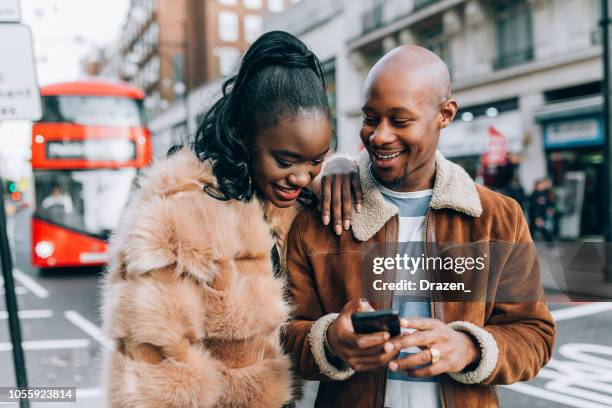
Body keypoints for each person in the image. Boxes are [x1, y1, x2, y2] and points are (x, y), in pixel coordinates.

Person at [283, 45, 555, 407]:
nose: (379, 136)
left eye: (400, 120)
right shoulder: (320, 217)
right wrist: (331, 340)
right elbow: (284, 335)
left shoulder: (499, 218)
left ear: (445, 114)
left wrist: (468, 347)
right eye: (370, 117)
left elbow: (535, 336)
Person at [101, 31, 360, 408]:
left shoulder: (302, 202)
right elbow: (154, 371)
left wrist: (342, 166)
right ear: (244, 135)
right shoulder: (178, 213)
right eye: (285, 161)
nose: (303, 176)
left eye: (316, 160)